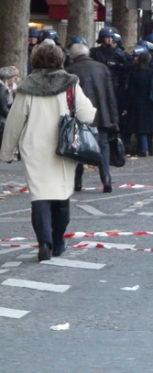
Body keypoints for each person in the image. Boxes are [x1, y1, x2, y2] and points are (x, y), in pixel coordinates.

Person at [0, 43, 96, 261]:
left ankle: (44, 242)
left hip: (34, 148)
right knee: (61, 196)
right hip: (63, 147)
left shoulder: (27, 86)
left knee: (39, 197)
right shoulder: (70, 84)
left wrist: (6, 153)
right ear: (60, 60)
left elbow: (14, 122)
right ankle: (58, 241)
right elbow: (87, 115)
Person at [69, 41, 119, 191]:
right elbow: (111, 96)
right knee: (103, 147)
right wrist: (114, 120)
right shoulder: (102, 68)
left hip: (79, 115)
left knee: (78, 148)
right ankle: (106, 179)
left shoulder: (70, 70)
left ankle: (77, 181)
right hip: (101, 115)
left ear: (73, 55)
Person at [126, 47, 153, 156]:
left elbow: (130, 91)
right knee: (148, 129)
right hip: (150, 102)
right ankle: (151, 150)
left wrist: (127, 105)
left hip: (137, 103)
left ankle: (143, 150)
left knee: (141, 129)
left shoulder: (134, 73)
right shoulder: (151, 72)